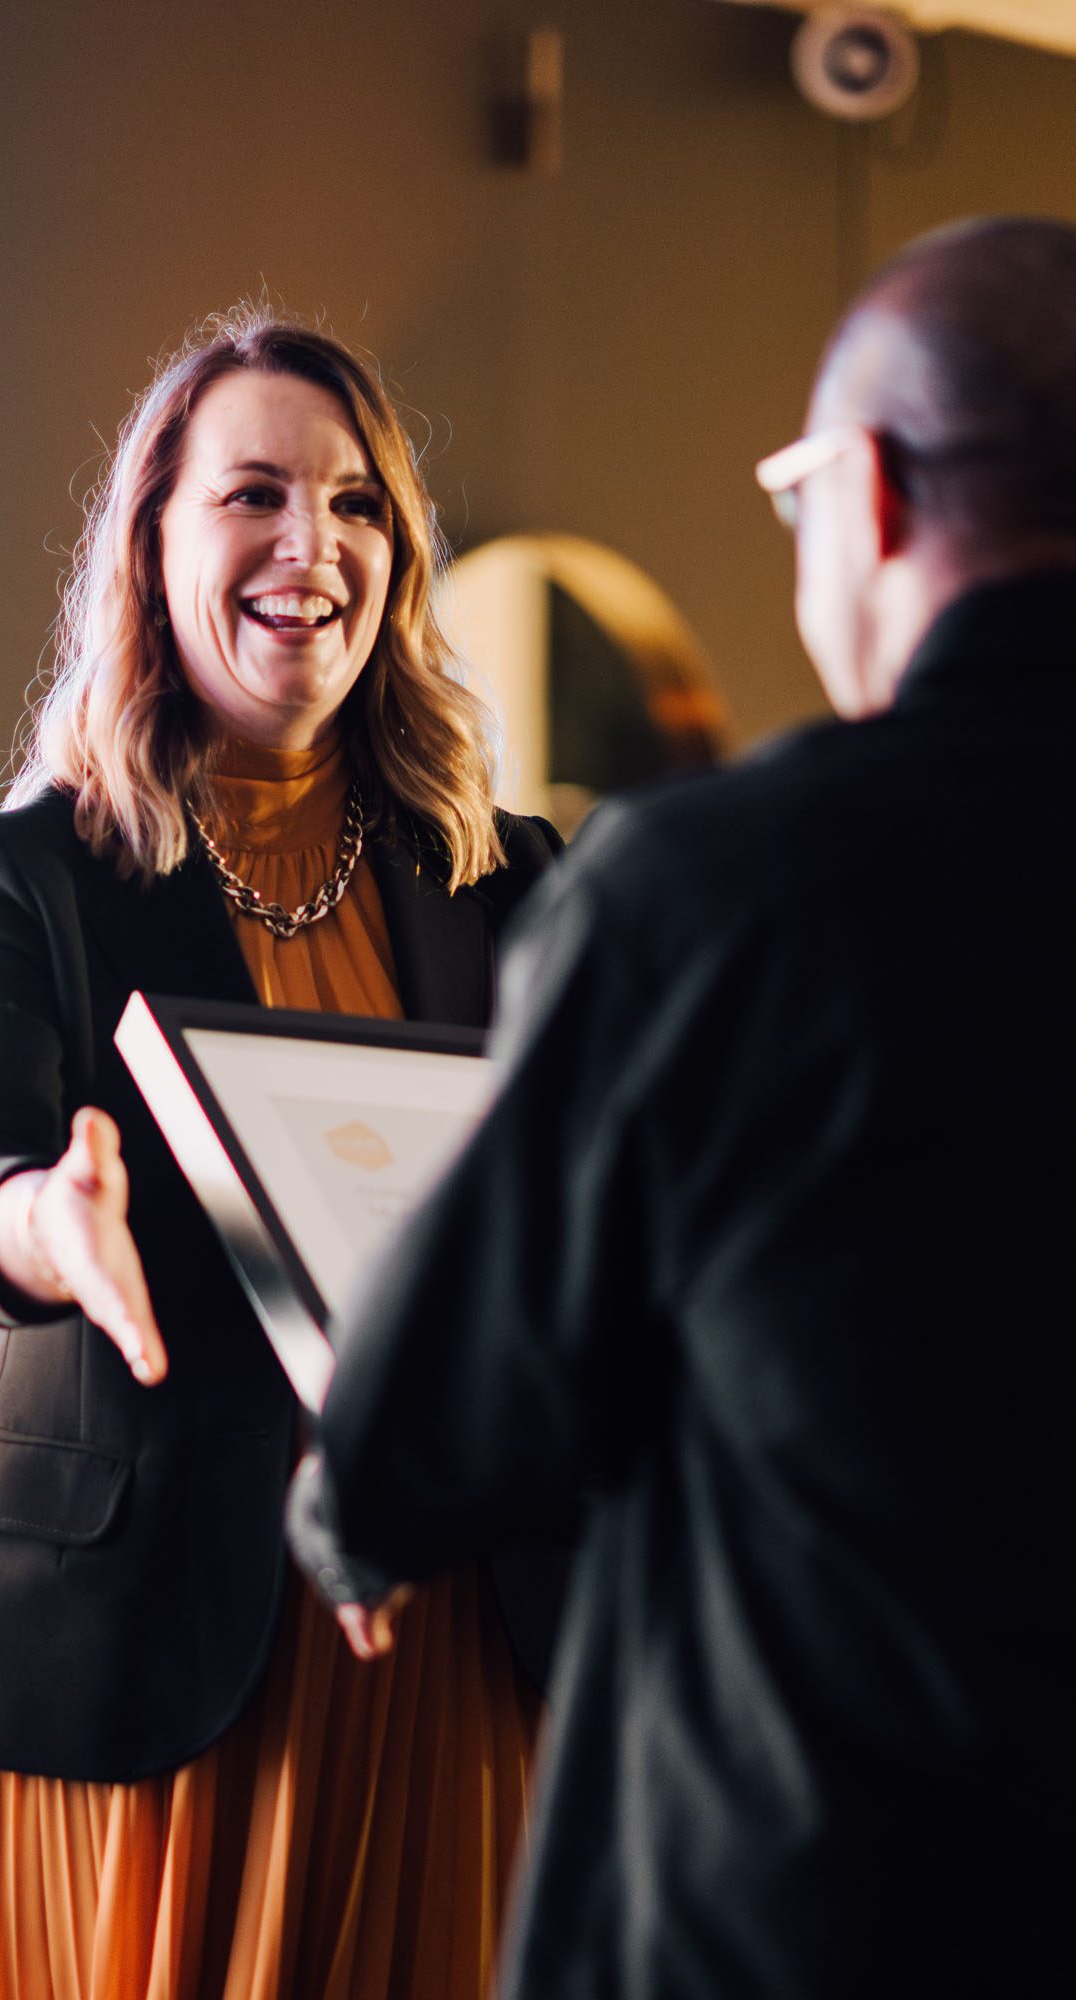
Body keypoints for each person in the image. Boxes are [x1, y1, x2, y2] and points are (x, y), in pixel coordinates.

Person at [290, 215, 1076, 1998]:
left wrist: (354, 1518)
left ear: (870, 493)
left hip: (801, 1905)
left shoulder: (716, 892)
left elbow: (436, 1415)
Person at [0, 312, 565, 2000]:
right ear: (152, 544)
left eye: (357, 504)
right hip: (121, 1651)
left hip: (439, 1637)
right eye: (253, 495)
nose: (313, 544)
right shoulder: (20, 870)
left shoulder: (517, 883)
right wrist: (46, 1223)